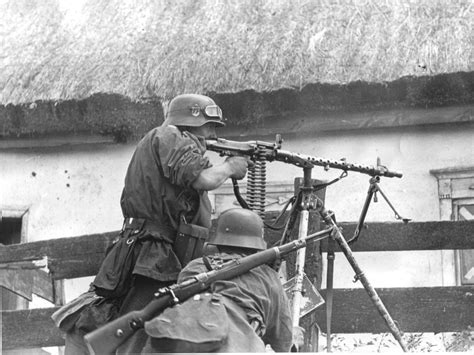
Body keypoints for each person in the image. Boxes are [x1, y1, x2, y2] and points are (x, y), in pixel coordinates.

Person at [52, 94, 251, 354]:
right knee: (142, 328)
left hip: (155, 251)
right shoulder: (170, 136)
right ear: (188, 122)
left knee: (147, 323)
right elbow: (203, 178)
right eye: (209, 125)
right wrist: (229, 167)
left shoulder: (170, 140)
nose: (212, 133)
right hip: (153, 254)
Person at [142, 208, 293, 353]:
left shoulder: (194, 267)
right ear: (258, 245)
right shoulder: (268, 277)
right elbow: (282, 341)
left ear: (219, 241)